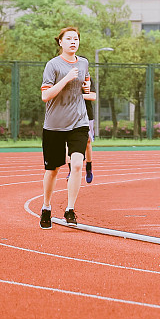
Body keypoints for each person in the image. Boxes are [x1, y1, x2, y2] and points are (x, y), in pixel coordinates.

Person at [39, 27, 91, 228]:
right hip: (54, 125)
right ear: (60, 42)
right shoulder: (53, 65)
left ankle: (70, 209)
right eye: (68, 38)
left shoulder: (84, 62)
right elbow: (45, 96)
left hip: (79, 122)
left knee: (77, 164)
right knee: (53, 170)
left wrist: (85, 87)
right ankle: (46, 206)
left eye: (76, 38)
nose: (73, 41)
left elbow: (85, 83)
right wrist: (67, 78)